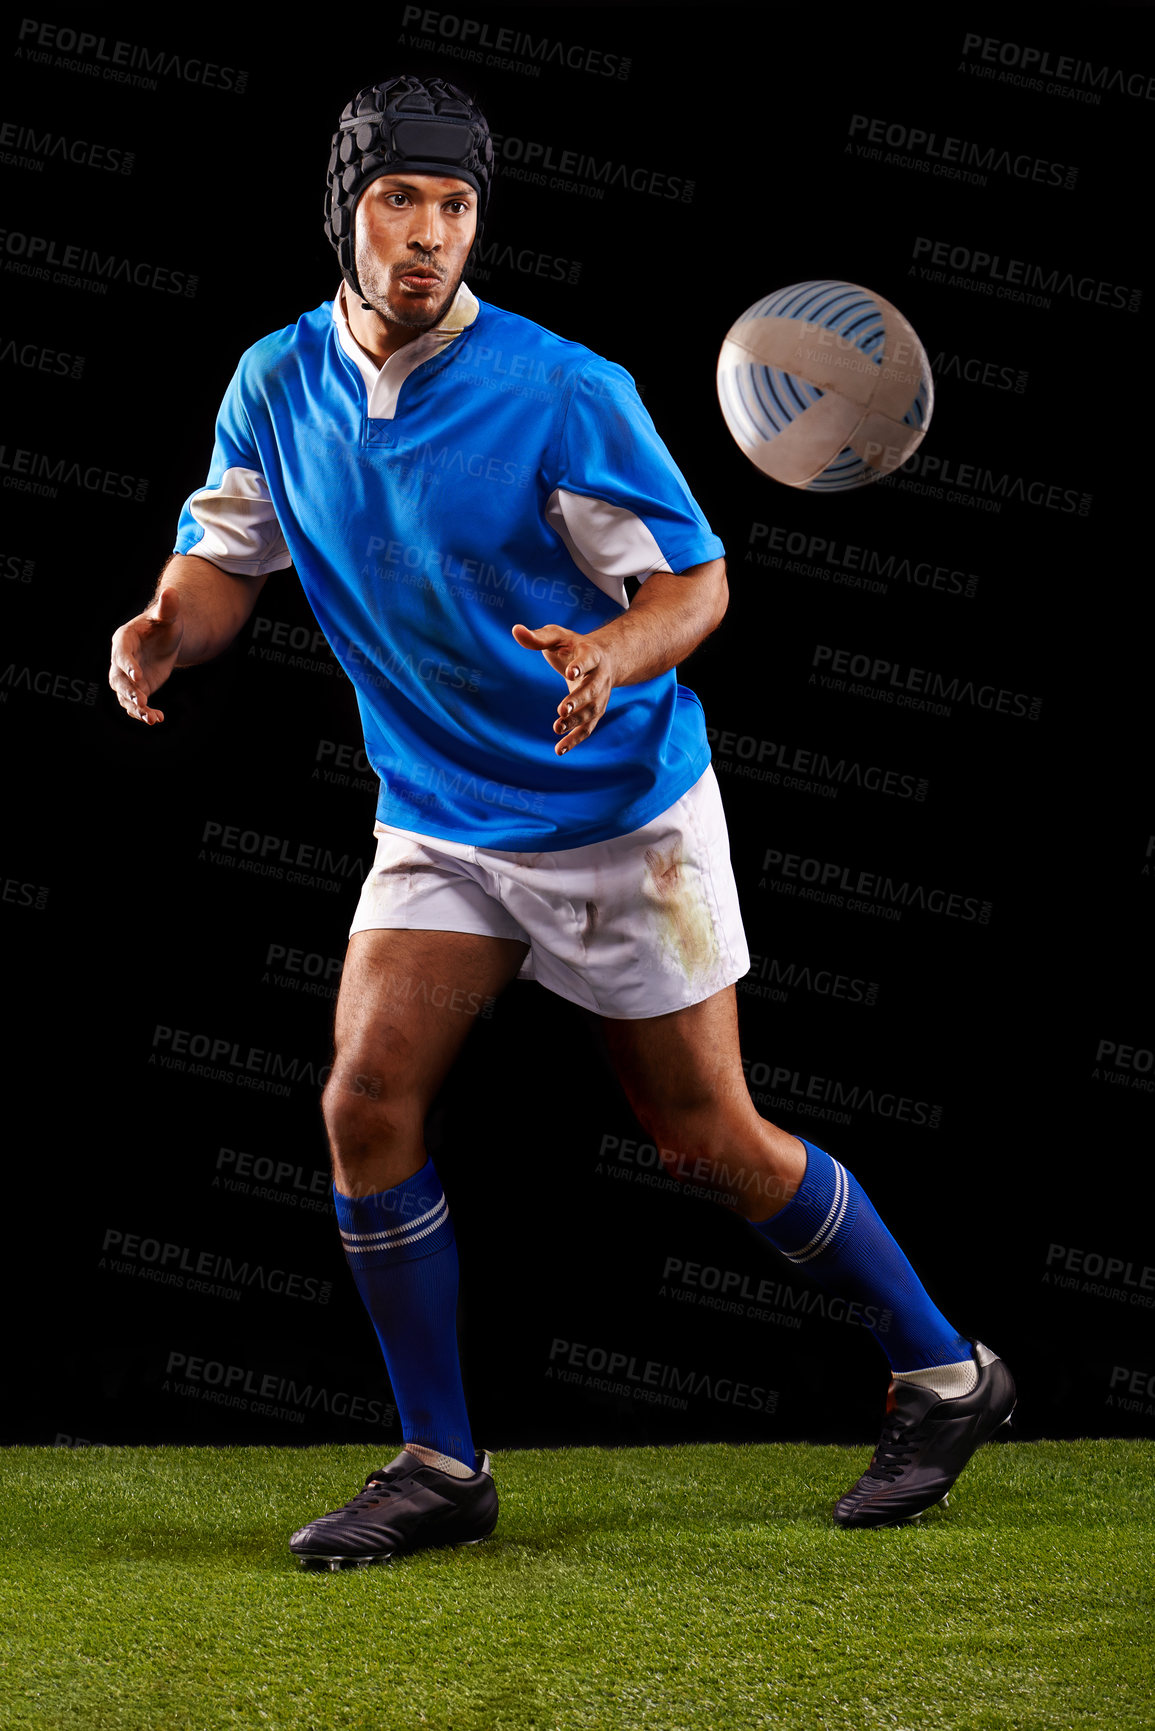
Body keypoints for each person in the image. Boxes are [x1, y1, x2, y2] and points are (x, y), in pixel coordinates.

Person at [108, 75, 1015, 1568]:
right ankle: (440, 1464)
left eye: (456, 206)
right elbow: (226, 555)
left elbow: (695, 585)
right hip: (441, 822)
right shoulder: (276, 381)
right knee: (363, 1104)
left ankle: (944, 1368)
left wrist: (608, 653)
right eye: (400, 199)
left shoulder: (564, 390)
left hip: (617, 822)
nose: (429, 235)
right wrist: (161, 630)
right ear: (345, 208)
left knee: (704, 1140)